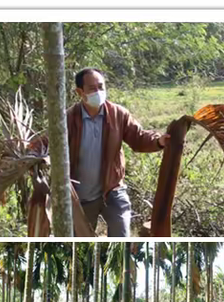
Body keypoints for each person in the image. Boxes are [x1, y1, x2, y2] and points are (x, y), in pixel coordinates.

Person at [67, 67, 170, 236]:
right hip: (82, 197)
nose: (98, 92)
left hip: (112, 190)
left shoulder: (118, 114)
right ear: (80, 92)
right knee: (80, 244)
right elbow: (47, 143)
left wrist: (158, 141)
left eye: (101, 87)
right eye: (92, 88)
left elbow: (138, 137)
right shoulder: (69, 118)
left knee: (121, 238)